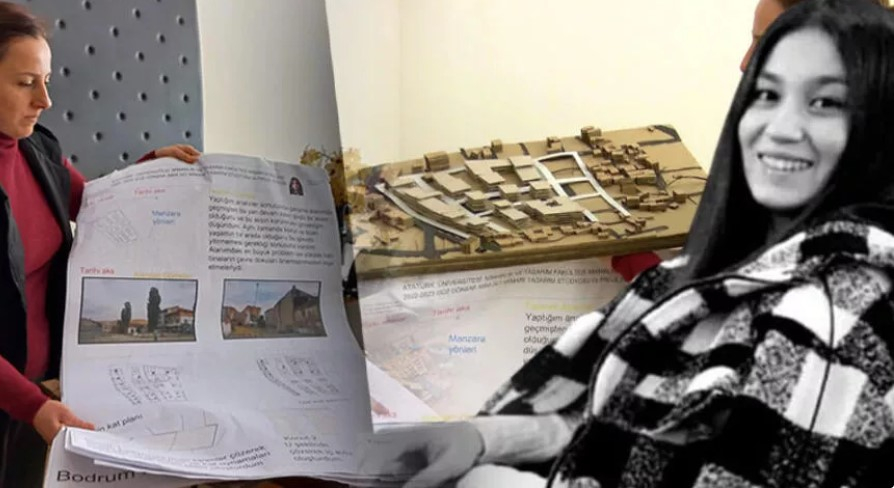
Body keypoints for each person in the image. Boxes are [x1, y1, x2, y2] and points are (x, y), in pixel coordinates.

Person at [363, 0, 894, 486]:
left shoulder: (835, 314)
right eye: (767, 93)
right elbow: (621, 421)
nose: (780, 127)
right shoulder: (719, 272)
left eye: (824, 102)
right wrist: (482, 439)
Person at [0, 2, 201, 486]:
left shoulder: (38, 148)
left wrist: (151, 170)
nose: (45, 99)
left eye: (46, 80)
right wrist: (30, 403)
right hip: (21, 399)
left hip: (43, 394)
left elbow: (99, 209)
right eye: (26, 83)